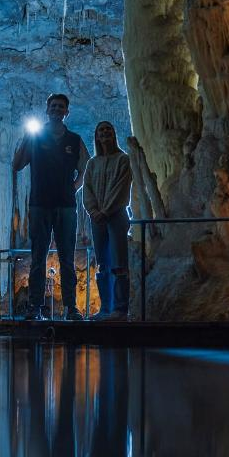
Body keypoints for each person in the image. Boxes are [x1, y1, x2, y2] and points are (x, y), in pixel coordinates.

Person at [12, 93, 89, 321]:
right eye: (53, 106)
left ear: (67, 112)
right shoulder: (35, 138)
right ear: (47, 110)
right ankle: (35, 306)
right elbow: (17, 165)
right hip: (40, 204)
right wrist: (26, 138)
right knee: (38, 256)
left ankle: (71, 307)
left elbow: (85, 167)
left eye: (61, 107)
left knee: (67, 257)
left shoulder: (74, 140)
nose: (56, 110)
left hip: (66, 205)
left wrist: (73, 188)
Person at [83, 121, 132, 321]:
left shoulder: (123, 159)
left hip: (116, 216)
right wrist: (93, 210)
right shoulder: (92, 163)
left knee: (119, 262)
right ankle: (105, 308)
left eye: (108, 129)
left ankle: (120, 309)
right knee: (103, 264)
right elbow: (87, 189)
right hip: (97, 219)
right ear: (96, 136)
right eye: (101, 130)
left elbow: (121, 188)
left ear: (114, 134)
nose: (104, 132)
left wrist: (105, 210)